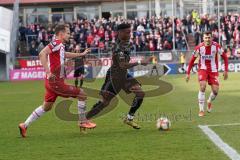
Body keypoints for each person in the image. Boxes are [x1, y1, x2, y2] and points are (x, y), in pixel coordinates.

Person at [18, 24, 96, 138]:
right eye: (68, 33)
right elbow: (42, 53)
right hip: (56, 82)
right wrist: (48, 72)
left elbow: (65, 55)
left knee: (46, 107)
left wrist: (81, 54)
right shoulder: (57, 43)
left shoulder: (60, 46)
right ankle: (83, 121)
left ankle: (24, 125)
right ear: (61, 34)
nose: (70, 35)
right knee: (82, 95)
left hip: (50, 83)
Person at [86, 23, 151, 129]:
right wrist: (140, 62)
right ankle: (85, 119)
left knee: (140, 93)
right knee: (105, 102)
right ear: (120, 33)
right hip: (115, 77)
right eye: (127, 32)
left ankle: (129, 118)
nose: (130, 34)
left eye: (130, 32)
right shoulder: (118, 47)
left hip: (124, 75)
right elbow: (123, 65)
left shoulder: (126, 44)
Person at [186, 31, 228, 117]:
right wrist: (188, 73)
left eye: (209, 37)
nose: (207, 39)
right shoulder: (199, 48)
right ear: (203, 38)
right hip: (203, 69)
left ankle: (209, 101)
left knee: (215, 91)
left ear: (212, 38)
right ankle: (201, 110)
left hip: (213, 70)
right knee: (202, 86)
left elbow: (225, 57)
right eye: (206, 38)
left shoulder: (216, 46)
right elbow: (192, 61)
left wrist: (226, 70)